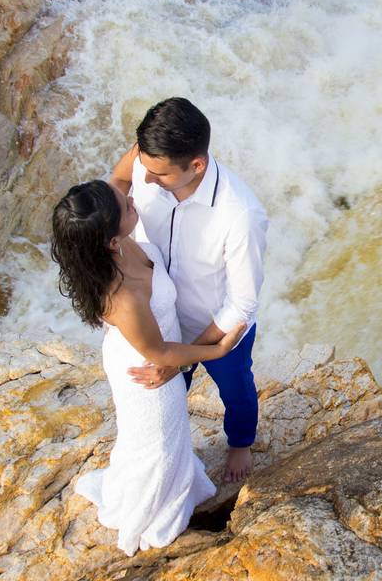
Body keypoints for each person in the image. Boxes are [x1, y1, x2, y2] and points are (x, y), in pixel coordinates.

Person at [50, 179, 246, 556]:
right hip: (146, 370)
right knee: (155, 442)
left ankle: (177, 479)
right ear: (110, 241)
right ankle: (152, 507)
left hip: (156, 349)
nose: (131, 198)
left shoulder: (105, 233)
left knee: (170, 435)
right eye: (125, 206)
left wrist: (148, 142)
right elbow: (158, 351)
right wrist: (218, 350)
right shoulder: (122, 296)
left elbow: (122, 173)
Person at [110, 97, 269, 483]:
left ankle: (241, 443)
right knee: (163, 398)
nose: (145, 180)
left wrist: (183, 357)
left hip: (215, 326)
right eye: (144, 166)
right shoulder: (148, 163)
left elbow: (243, 302)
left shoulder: (240, 215)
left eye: (159, 174)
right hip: (162, 317)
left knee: (237, 392)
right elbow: (117, 180)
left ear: (196, 165)